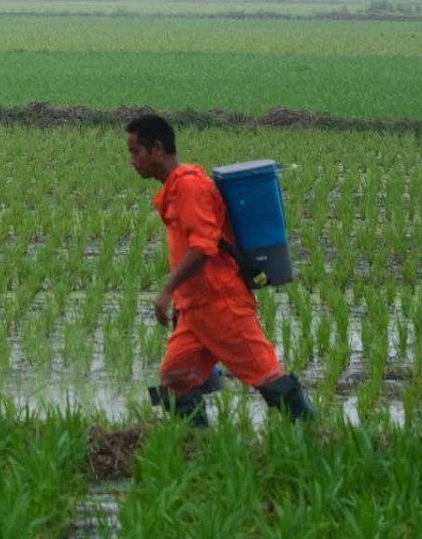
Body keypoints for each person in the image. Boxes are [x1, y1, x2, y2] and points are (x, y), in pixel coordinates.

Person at [125, 110, 311, 423]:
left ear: (156, 149)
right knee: (176, 382)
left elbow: (203, 246)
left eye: (135, 151)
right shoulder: (175, 189)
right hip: (195, 311)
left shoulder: (190, 187)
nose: (132, 160)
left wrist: (168, 290)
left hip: (222, 304)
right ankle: (197, 451)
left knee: (269, 379)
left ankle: (318, 437)